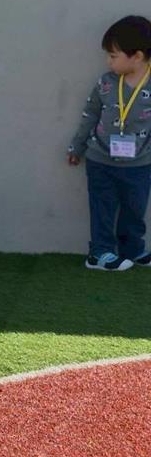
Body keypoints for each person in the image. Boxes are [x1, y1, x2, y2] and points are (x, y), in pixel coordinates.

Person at [67, 15, 151, 271]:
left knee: (134, 210)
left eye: (113, 56)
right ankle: (99, 253)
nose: (108, 61)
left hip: (139, 165)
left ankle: (132, 249)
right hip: (100, 161)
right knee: (102, 208)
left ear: (137, 56)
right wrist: (77, 147)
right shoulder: (106, 83)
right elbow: (90, 115)